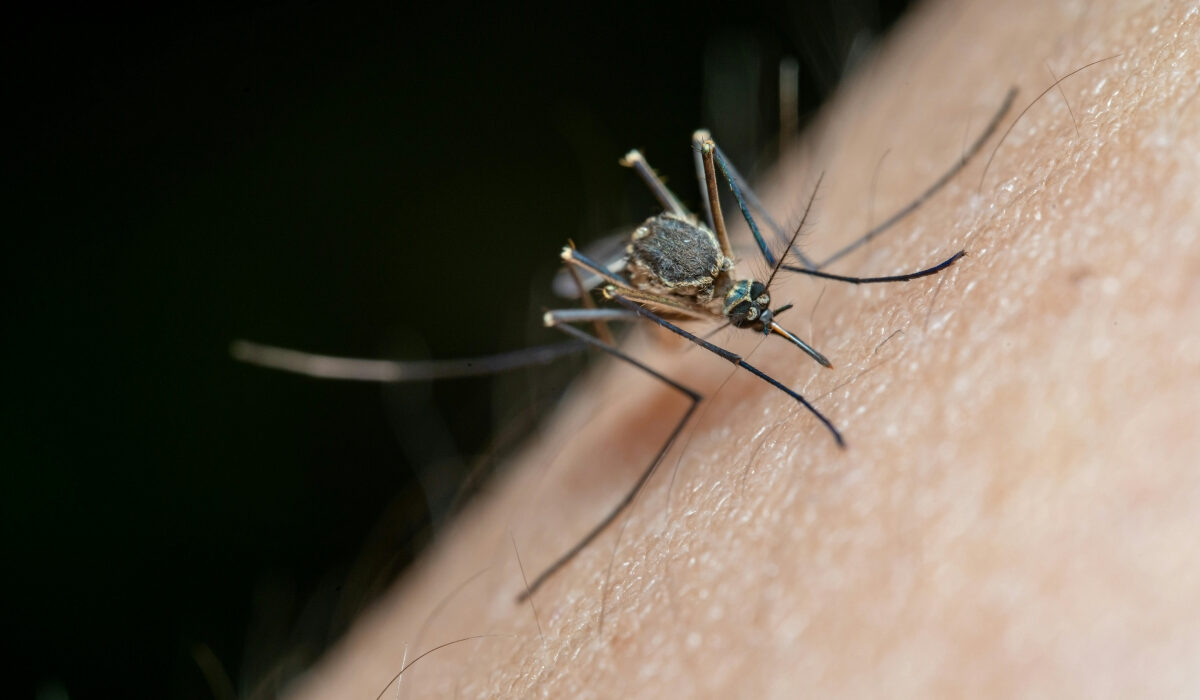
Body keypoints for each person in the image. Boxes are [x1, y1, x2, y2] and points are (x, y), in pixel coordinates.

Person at [290, 0, 1200, 696]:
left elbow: (747, 257)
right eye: (754, 312)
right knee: (591, 294)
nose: (764, 318)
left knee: (703, 159)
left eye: (758, 306)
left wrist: (801, 272)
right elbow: (622, 300)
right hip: (645, 286)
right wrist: (719, 356)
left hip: (695, 261)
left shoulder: (736, 273)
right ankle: (690, 386)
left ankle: (822, 268)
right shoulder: (687, 300)